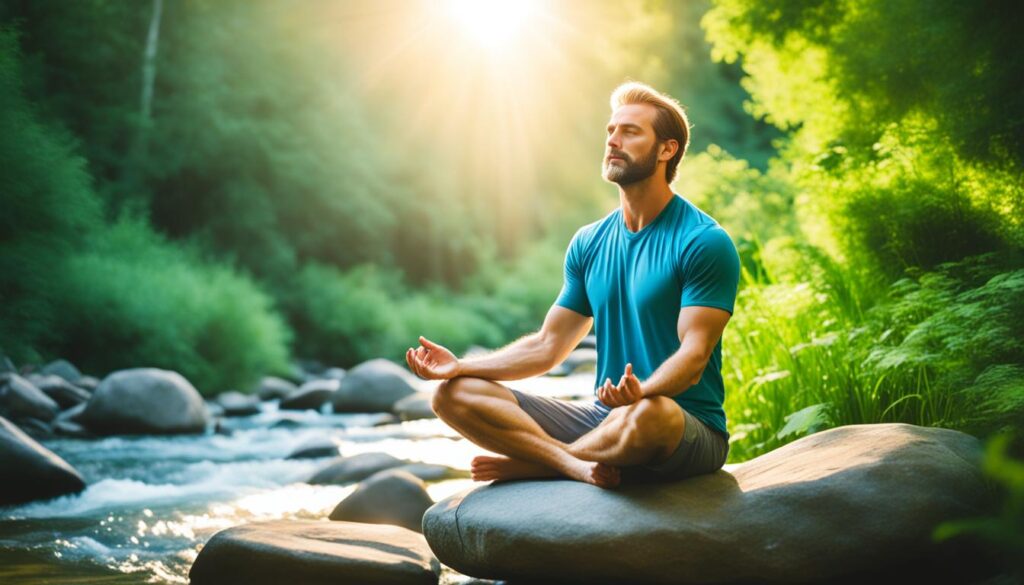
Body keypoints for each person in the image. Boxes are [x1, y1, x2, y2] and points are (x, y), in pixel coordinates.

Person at [405, 81, 740, 488]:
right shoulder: (589, 242)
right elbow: (548, 346)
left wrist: (643, 391)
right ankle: (571, 463)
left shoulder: (702, 241)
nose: (613, 140)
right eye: (611, 130)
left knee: (651, 413)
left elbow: (694, 357)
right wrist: (460, 366)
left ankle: (542, 465)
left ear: (666, 150)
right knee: (452, 395)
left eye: (630, 132)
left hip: (682, 426)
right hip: (605, 420)